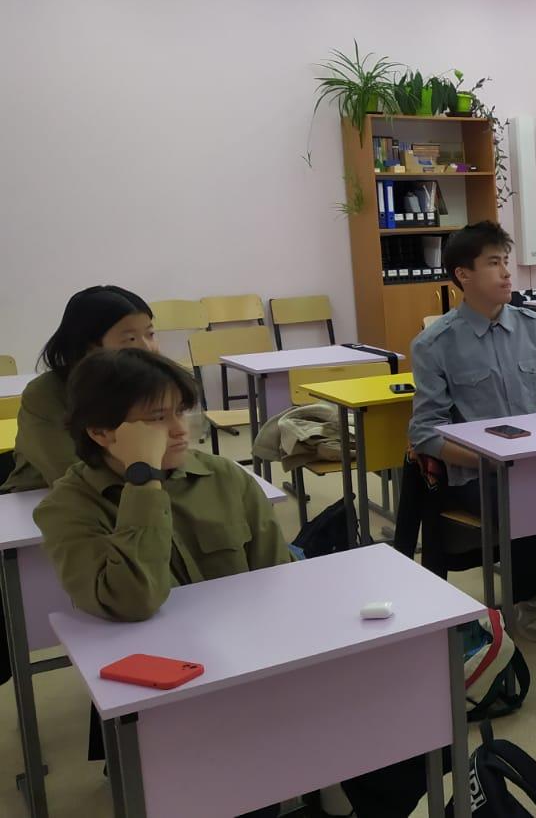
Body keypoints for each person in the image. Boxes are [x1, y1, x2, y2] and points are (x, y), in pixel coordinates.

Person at [33, 348, 424, 817]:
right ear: (101, 432)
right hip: (173, 700)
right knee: (238, 793)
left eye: (181, 411)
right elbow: (133, 598)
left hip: (255, 667)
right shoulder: (68, 509)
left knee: (400, 735)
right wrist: (144, 481)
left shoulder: (223, 477)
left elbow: (281, 583)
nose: (180, 428)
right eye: (156, 419)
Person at [409, 222, 536, 643]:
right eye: (493, 263)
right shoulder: (434, 344)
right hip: (477, 475)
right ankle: (530, 596)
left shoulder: (534, 329)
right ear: (463, 275)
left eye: (506, 261)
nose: (507, 273)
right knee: (523, 491)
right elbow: (425, 433)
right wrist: (491, 459)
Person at [2, 286, 158, 493]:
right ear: (89, 347)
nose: (147, 348)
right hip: (42, 496)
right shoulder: (45, 394)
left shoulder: (151, 385)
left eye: (150, 334)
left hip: (131, 492)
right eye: (130, 339)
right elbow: (69, 475)